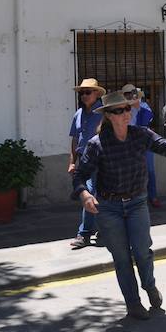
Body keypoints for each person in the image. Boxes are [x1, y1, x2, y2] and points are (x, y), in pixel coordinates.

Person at [71, 90, 166, 319]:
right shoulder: (97, 144)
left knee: (143, 251)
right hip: (109, 208)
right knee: (122, 258)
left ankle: (149, 286)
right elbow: (79, 175)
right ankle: (133, 304)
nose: (125, 113)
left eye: (127, 109)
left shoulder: (141, 134)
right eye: (119, 111)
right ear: (109, 116)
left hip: (136, 203)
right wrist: (84, 195)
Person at [68, 78, 105, 249]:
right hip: (83, 160)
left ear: (97, 93)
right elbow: (75, 140)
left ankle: (84, 234)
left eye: (87, 92)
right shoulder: (78, 114)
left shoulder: (104, 113)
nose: (84, 95)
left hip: (99, 160)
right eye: (82, 93)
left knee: (90, 193)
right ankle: (102, 230)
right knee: (92, 195)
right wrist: (72, 162)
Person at [122, 84, 160, 208]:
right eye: (127, 95)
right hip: (128, 143)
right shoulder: (123, 109)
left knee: (149, 170)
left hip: (144, 143)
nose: (129, 97)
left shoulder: (143, 106)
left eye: (131, 94)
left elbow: (145, 122)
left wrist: (137, 107)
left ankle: (153, 196)